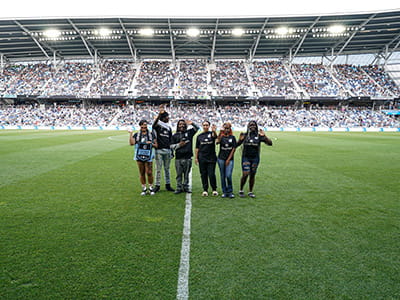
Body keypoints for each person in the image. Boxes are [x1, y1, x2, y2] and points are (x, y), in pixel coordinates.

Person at [236, 120, 272, 198]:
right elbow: (236, 145)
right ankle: (241, 190)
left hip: (255, 158)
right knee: (245, 173)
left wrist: (264, 136)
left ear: (256, 126)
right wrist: (240, 140)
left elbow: (270, 143)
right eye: (251, 125)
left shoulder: (259, 136)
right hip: (246, 157)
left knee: (252, 174)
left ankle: (250, 191)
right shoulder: (245, 135)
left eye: (254, 125)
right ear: (248, 126)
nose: (252, 126)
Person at [129, 120, 158, 196]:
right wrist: (131, 134)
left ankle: (151, 187)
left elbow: (156, 145)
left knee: (149, 172)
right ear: (140, 126)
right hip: (139, 155)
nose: (144, 127)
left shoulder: (151, 134)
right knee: (141, 172)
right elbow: (132, 143)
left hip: (148, 155)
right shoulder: (137, 135)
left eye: (145, 125)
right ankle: (144, 188)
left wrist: (151, 143)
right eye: (142, 126)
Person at [170, 119, 199, 194]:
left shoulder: (189, 133)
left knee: (186, 174)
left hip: (188, 157)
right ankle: (179, 187)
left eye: (183, 124)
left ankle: (186, 187)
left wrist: (192, 123)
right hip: (178, 158)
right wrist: (179, 145)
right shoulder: (175, 135)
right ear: (178, 125)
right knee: (179, 174)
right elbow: (171, 146)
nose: (182, 125)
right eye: (180, 124)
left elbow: (197, 128)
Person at [152, 106, 175, 193]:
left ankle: (168, 185)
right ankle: (157, 185)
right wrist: (159, 114)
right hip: (159, 151)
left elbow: (170, 140)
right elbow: (154, 124)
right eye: (167, 117)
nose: (168, 118)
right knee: (158, 169)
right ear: (163, 118)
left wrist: (172, 151)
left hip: (167, 150)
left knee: (167, 169)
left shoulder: (169, 127)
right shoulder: (158, 125)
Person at [195, 121, 218, 197]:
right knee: (203, 174)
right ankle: (205, 190)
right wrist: (196, 157)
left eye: (207, 125)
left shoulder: (211, 134)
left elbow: (216, 138)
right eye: (204, 125)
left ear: (209, 126)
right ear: (202, 126)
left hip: (211, 158)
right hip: (202, 158)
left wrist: (214, 131)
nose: (205, 126)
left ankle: (214, 189)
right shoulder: (199, 136)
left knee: (211, 174)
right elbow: (197, 148)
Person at [216, 122, 236, 198]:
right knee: (222, 175)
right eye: (225, 128)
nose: (226, 130)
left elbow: (233, 149)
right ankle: (224, 191)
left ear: (230, 129)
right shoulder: (222, 137)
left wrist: (228, 159)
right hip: (221, 159)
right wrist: (220, 133)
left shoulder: (232, 137)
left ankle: (230, 191)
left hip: (229, 159)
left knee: (228, 175)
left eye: (228, 128)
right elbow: (217, 142)